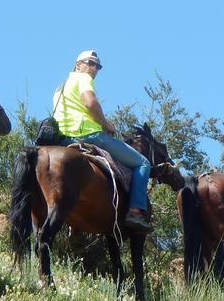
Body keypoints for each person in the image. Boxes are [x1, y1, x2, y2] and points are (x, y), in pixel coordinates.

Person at [53, 50, 151, 232]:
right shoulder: (83, 79)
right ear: (78, 64)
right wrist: (106, 124)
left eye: (97, 65)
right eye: (90, 63)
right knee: (143, 163)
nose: (94, 68)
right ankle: (135, 212)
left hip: (64, 140)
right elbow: (90, 103)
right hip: (89, 135)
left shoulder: (60, 88)